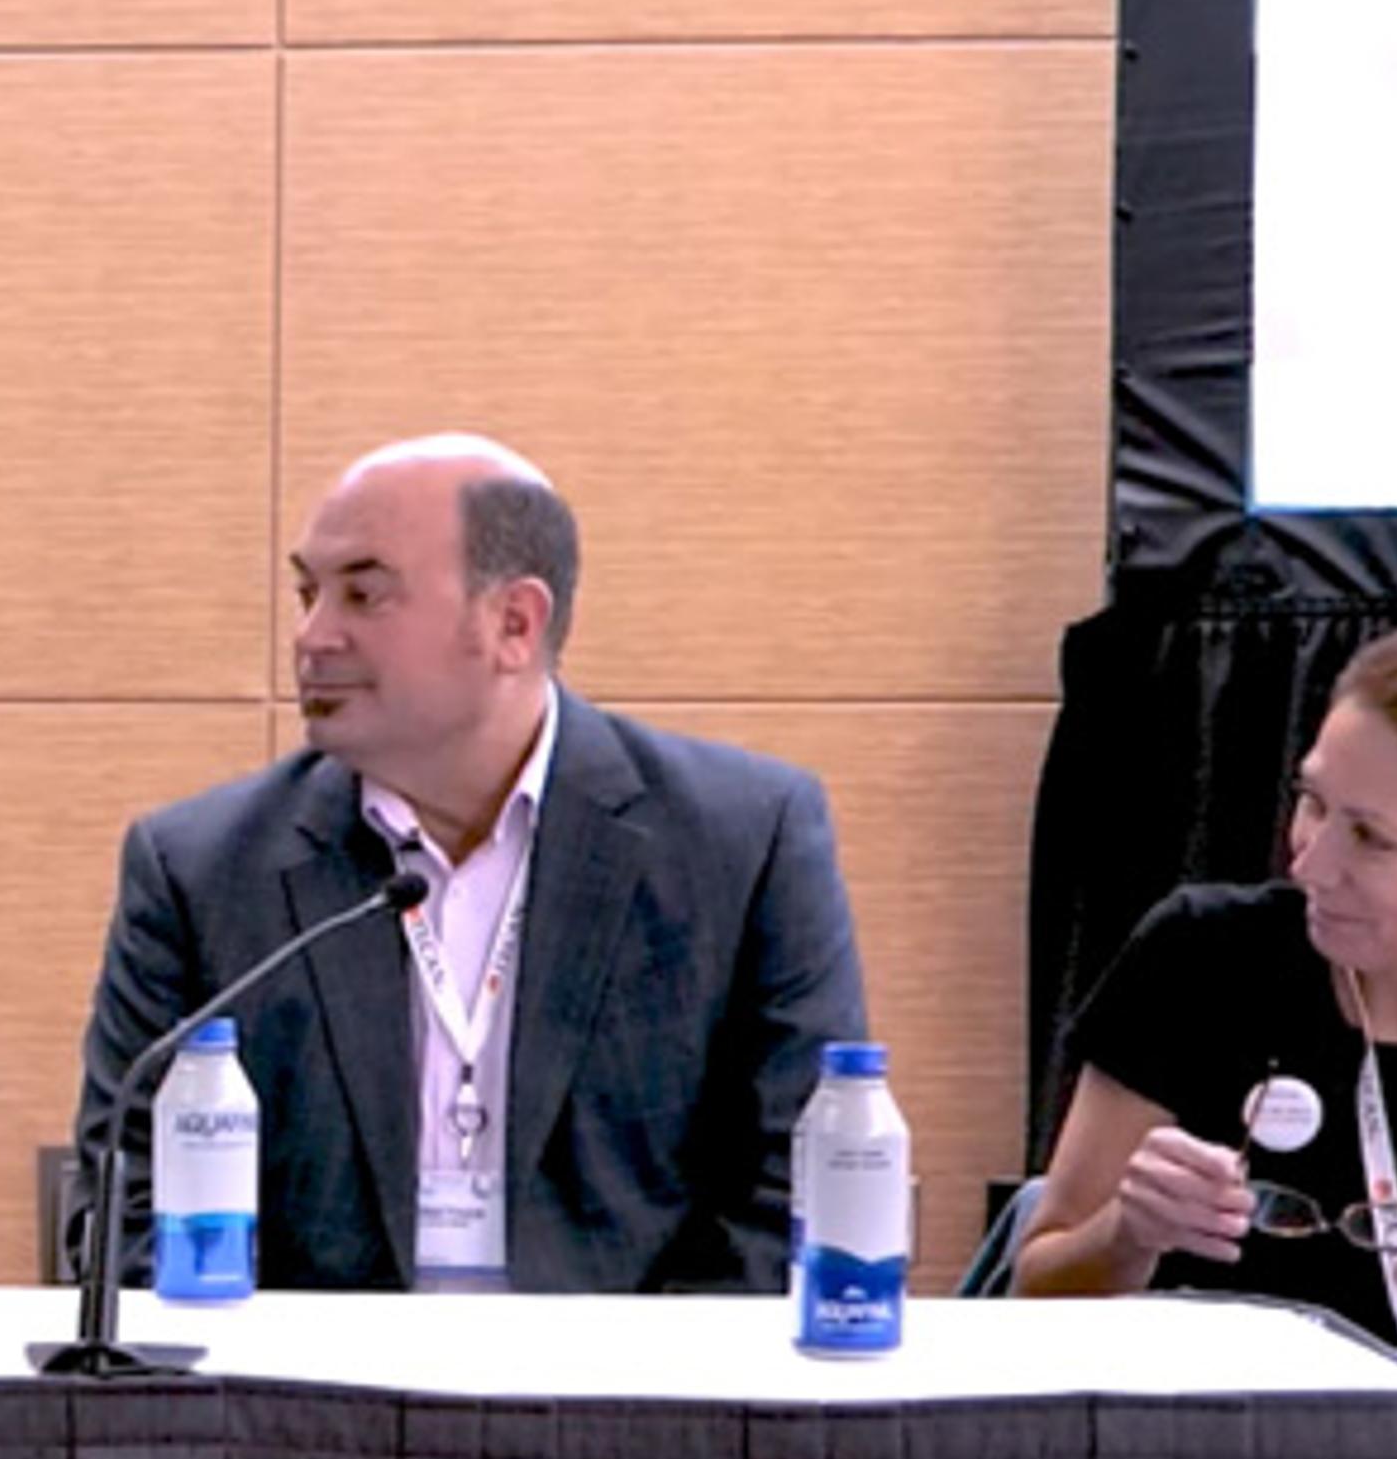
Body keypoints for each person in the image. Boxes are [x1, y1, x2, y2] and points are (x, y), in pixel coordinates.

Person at [73, 434, 866, 1293]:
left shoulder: (740, 843)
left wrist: (629, 1372)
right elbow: (124, 1210)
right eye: (308, 594)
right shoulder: (201, 871)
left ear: (514, 623)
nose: (311, 636)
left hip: (635, 1372)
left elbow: (799, 1189)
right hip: (304, 1375)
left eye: (363, 594)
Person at [1018, 607, 1397, 1360]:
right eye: (1313, 801)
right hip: (1217, 1429)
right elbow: (1033, 1298)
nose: (1310, 863)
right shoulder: (1201, 958)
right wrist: (1128, 1234)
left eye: (1371, 837)